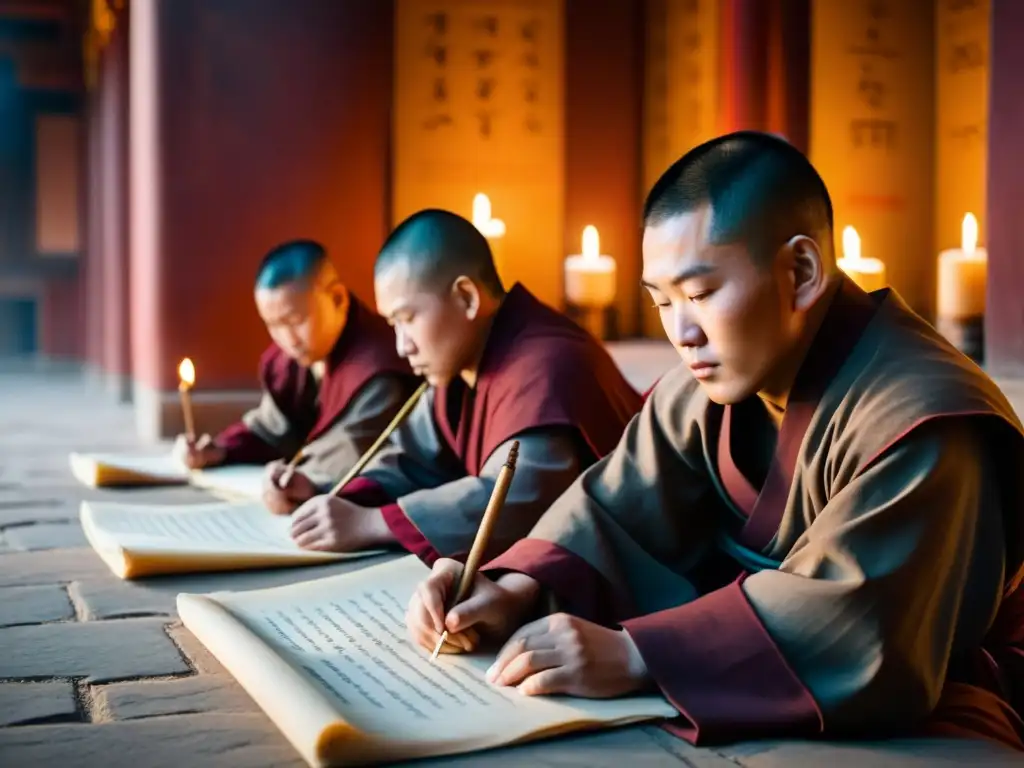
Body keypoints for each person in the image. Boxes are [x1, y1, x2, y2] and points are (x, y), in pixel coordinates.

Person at [405, 132, 1024, 752]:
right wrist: (513, 590)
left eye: (700, 295)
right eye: (662, 301)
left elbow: (863, 626)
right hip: (729, 681)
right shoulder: (709, 387)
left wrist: (636, 656)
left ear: (801, 273)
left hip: (917, 715)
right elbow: (611, 511)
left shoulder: (924, 420)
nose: (682, 333)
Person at [288, 209, 643, 561]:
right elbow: (412, 458)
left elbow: (519, 497)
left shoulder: (546, 363)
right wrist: (337, 495)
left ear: (467, 298)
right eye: (393, 324)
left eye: (408, 319)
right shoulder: (462, 361)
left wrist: (372, 523)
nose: (401, 345)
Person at [173, 239, 420, 515]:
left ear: (337, 298)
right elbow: (271, 427)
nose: (287, 339)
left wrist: (298, 478)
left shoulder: (379, 366)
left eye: (294, 321)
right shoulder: (291, 361)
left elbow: (351, 449)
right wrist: (219, 450)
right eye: (273, 325)